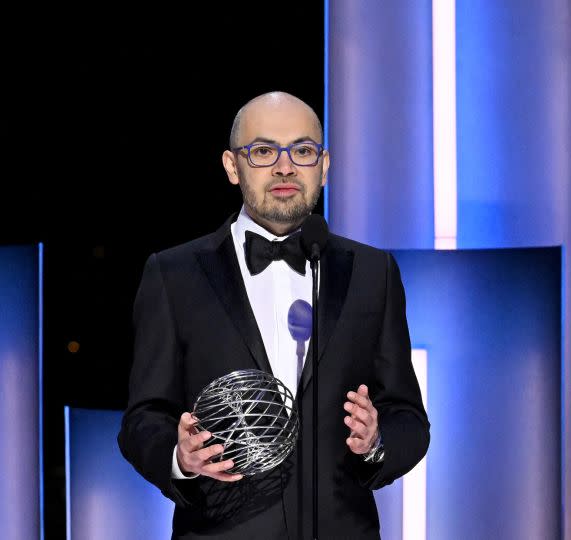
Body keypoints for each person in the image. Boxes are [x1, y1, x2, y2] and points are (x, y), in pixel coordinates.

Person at [118, 91, 429, 539]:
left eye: (302, 151)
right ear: (231, 166)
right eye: (263, 151)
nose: (285, 167)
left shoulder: (372, 272)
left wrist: (378, 442)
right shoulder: (173, 274)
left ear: (324, 166)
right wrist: (178, 456)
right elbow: (142, 418)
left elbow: (408, 418)